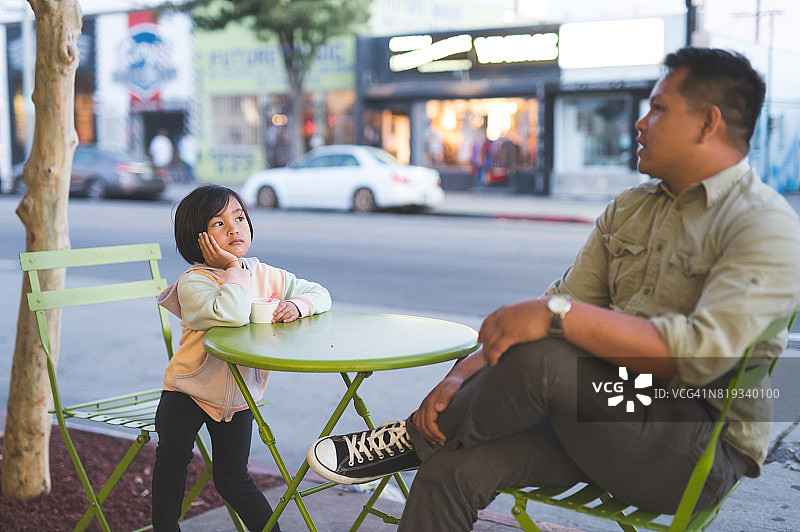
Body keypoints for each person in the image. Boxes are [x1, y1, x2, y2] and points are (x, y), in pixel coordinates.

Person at [306, 47, 800, 531]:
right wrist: (459, 378)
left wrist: (560, 316)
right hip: (598, 413)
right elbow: (554, 305)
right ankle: (428, 440)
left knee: (544, 354)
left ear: (707, 122)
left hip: (696, 446)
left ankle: (414, 438)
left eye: (658, 108)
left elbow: (699, 358)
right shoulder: (630, 208)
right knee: (452, 469)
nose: (640, 122)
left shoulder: (763, 225)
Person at [152, 185, 331, 531]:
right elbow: (232, 312)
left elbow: (319, 292)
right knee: (172, 465)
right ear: (197, 239)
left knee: (233, 480)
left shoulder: (264, 273)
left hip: (238, 399)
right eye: (218, 224)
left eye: (239, 217)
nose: (234, 228)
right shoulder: (195, 282)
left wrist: (297, 304)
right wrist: (234, 268)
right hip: (186, 391)